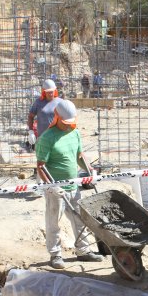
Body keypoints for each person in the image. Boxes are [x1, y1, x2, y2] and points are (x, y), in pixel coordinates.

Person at [35, 100, 104, 269]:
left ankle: (84, 251)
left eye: (71, 123)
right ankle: (55, 255)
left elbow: (79, 156)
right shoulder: (46, 138)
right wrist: (51, 186)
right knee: (54, 223)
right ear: (57, 117)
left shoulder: (74, 133)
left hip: (73, 186)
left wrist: (90, 170)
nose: (68, 126)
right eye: (65, 123)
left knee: (79, 219)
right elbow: (40, 166)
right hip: (56, 189)